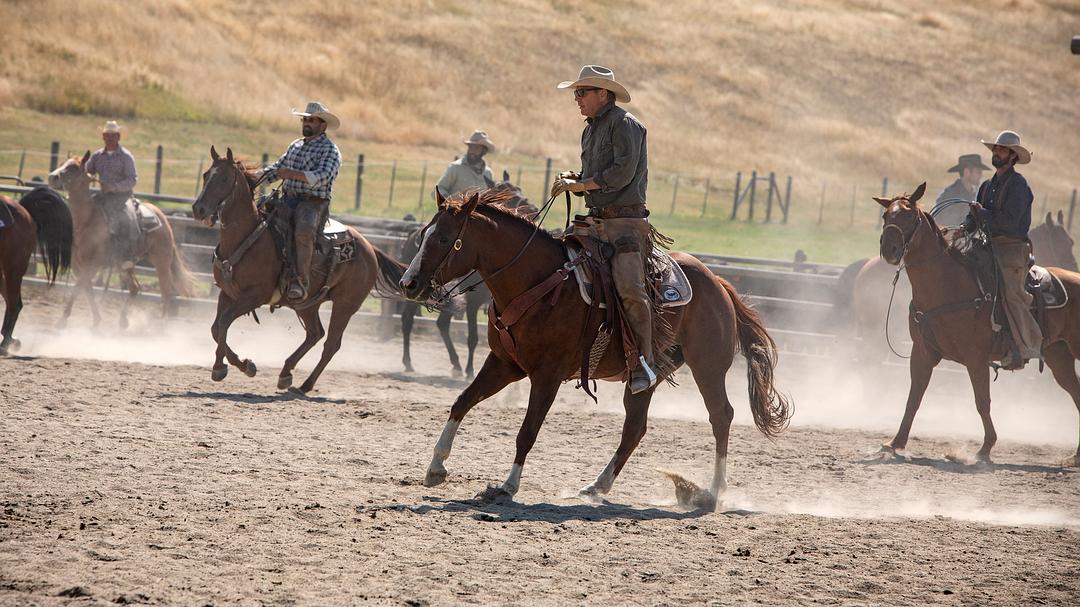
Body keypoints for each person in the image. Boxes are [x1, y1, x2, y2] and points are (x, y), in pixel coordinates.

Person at [550, 65, 656, 393]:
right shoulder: (590, 130)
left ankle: (644, 362)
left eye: (582, 92)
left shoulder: (626, 125)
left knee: (630, 290)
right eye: (576, 93)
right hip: (594, 222)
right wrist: (574, 178)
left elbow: (621, 174)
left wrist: (580, 185)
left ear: (602, 94)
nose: (577, 98)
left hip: (625, 226)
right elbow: (593, 174)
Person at [964, 130, 1041, 369]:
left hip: (1012, 250)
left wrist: (983, 214)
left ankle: (1023, 347)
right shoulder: (986, 186)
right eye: (995, 148)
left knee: (1011, 293)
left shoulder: (1019, 186)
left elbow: (1009, 222)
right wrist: (962, 230)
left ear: (1013, 156)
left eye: (1002, 149)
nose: (996, 152)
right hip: (988, 247)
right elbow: (974, 218)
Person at [259, 101, 342, 301]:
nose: (307, 123)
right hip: (288, 198)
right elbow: (277, 169)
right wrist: (255, 177)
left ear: (323, 125)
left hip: (313, 203)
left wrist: (292, 174)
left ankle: (300, 281)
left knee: (304, 231)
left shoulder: (330, 150)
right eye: (305, 119)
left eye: (312, 120)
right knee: (259, 217)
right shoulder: (295, 146)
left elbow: (323, 176)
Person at [85, 120, 139, 269]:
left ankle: (126, 256)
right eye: (106, 135)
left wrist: (114, 187)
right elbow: (87, 170)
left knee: (126, 219)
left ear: (118, 137)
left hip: (122, 197)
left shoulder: (126, 156)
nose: (109, 138)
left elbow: (132, 179)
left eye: (112, 135)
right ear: (103, 136)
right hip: (104, 196)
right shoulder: (97, 156)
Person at [433, 130, 496, 200]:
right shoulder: (455, 167)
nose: (472, 151)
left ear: (484, 151)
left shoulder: (488, 173)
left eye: (476, 148)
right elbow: (438, 189)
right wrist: (448, 201)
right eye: (471, 147)